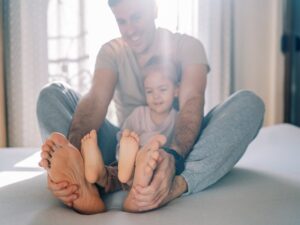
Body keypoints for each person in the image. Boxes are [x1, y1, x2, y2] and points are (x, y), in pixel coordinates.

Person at [37, 0, 265, 214]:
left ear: (154, 8)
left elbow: (191, 102)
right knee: (52, 93)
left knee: (249, 103)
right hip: (122, 149)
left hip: (178, 149)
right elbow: (96, 100)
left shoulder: (187, 47)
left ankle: (174, 185)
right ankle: (80, 176)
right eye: (121, 21)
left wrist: (173, 159)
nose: (130, 30)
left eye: (137, 17)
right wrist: (73, 149)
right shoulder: (112, 51)